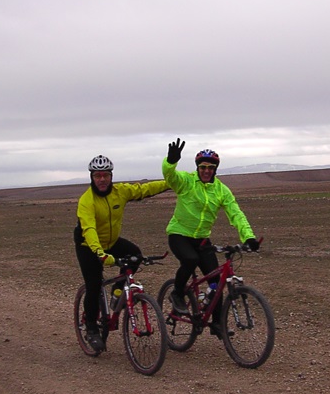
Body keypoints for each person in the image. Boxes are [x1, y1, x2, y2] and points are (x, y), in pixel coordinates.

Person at [163, 138, 260, 337]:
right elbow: (170, 176)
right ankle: (177, 294)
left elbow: (236, 213)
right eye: (203, 167)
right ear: (197, 167)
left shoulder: (221, 190)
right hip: (179, 234)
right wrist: (170, 162)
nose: (206, 170)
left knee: (216, 281)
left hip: (201, 239)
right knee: (190, 259)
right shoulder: (186, 181)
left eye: (211, 167)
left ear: (216, 169)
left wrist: (248, 237)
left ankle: (217, 323)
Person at [75, 154, 169, 351]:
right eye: (98, 175)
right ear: (92, 177)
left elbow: (144, 189)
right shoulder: (86, 201)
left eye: (105, 175)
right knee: (93, 284)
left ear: (111, 176)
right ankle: (91, 329)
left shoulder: (120, 192)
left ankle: (118, 291)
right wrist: (100, 253)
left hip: (111, 242)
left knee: (135, 254)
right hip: (88, 246)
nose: (102, 179)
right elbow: (89, 229)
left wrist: (171, 183)